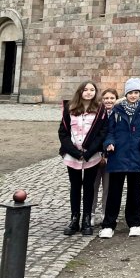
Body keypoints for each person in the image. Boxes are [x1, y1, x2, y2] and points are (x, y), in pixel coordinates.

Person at [99, 78, 140, 239]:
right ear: (126, 94)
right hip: (118, 155)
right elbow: (109, 131)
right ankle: (108, 225)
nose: (133, 95)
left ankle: (135, 223)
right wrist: (109, 143)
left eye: (136, 92)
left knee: (135, 192)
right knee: (114, 192)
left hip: (136, 156)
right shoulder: (117, 111)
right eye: (130, 92)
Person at [59, 80, 108, 236]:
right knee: (75, 186)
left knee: (89, 186)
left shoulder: (100, 110)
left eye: (92, 90)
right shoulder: (70, 108)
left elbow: (102, 133)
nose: (88, 92)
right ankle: (74, 218)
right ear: (80, 92)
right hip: (73, 154)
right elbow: (63, 132)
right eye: (85, 90)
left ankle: (86, 218)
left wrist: (88, 152)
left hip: (91, 155)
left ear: (95, 93)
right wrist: (74, 151)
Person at [91, 87, 118, 226]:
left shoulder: (119, 114)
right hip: (95, 155)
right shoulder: (97, 114)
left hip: (112, 157)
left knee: (108, 187)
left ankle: (105, 213)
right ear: (102, 100)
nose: (109, 101)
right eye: (106, 98)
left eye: (112, 98)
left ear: (116, 99)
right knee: (93, 186)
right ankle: (91, 212)